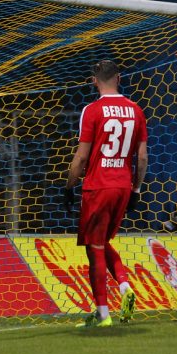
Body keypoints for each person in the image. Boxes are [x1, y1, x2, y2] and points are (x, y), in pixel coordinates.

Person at [64, 60, 148, 328]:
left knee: (94, 247)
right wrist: (136, 189)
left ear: (94, 81)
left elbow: (81, 157)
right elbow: (143, 157)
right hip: (122, 186)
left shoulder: (92, 110)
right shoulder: (136, 110)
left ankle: (102, 314)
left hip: (98, 186)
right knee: (101, 241)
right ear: (120, 78)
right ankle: (125, 287)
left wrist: (68, 187)